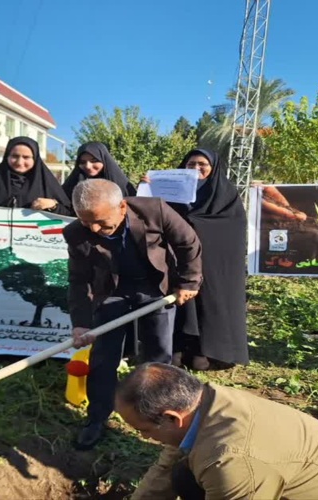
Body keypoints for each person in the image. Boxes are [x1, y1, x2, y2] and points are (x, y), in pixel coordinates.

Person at [119, 363, 318, 500]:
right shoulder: (206, 402)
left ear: (171, 417)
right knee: (183, 474)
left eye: (143, 430)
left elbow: (233, 465)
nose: (145, 438)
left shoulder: (231, 459)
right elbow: (167, 465)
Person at [65, 179, 202, 450]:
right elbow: (79, 280)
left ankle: (157, 415)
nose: (94, 229)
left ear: (122, 207)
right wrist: (81, 324)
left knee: (158, 355)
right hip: (112, 290)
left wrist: (189, 281)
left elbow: (188, 242)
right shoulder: (75, 233)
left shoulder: (155, 210)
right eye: (86, 222)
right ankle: (97, 417)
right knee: (103, 356)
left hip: (155, 288)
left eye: (102, 222)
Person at [146, 148, 247, 371]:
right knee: (180, 303)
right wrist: (148, 187)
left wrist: (192, 224)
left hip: (214, 263)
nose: (196, 169)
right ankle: (177, 350)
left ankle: (207, 352)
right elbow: (154, 214)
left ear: (213, 168)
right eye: (191, 164)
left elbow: (232, 229)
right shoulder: (172, 194)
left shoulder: (226, 195)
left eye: (202, 164)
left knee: (208, 305)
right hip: (179, 259)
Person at [0, 136, 73, 215]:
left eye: (26, 157)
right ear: (7, 156)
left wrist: (53, 205)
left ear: (35, 159)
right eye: (15, 156)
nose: (19, 162)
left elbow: (67, 213)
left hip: (32, 241)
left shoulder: (46, 183)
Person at [61, 142, 136, 199]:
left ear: (104, 160)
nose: (88, 166)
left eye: (94, 160)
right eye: (82, 162)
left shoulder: (122, 186)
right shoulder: (72, 184)